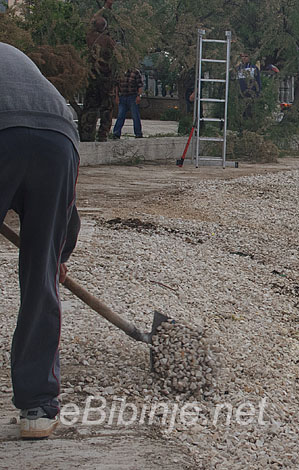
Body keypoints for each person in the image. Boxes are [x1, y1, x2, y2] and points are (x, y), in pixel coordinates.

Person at [0, 42, 81, 440]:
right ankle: (37, 406)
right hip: (59, 140)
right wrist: (56, 254)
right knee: (39, 280)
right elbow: (70, 208)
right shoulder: (18, 59)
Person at [79, 13, 116, 142]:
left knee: (90, 107)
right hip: (105, 78)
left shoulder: (88, 38)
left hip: (92, 76)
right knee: (107, 108)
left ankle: (88, 134)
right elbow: (114, 57)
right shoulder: (107, 40)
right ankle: (103, 134)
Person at [111, 67, 144, 138]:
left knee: (135, 116)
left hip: (132, 97)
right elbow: (116, 85)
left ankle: (138, 133)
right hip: (122, 97)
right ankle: (116, 133)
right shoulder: (120, 72)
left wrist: (138, 96)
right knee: (120, 115)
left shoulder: (135, 72)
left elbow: (140, 85)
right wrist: (116, 96)